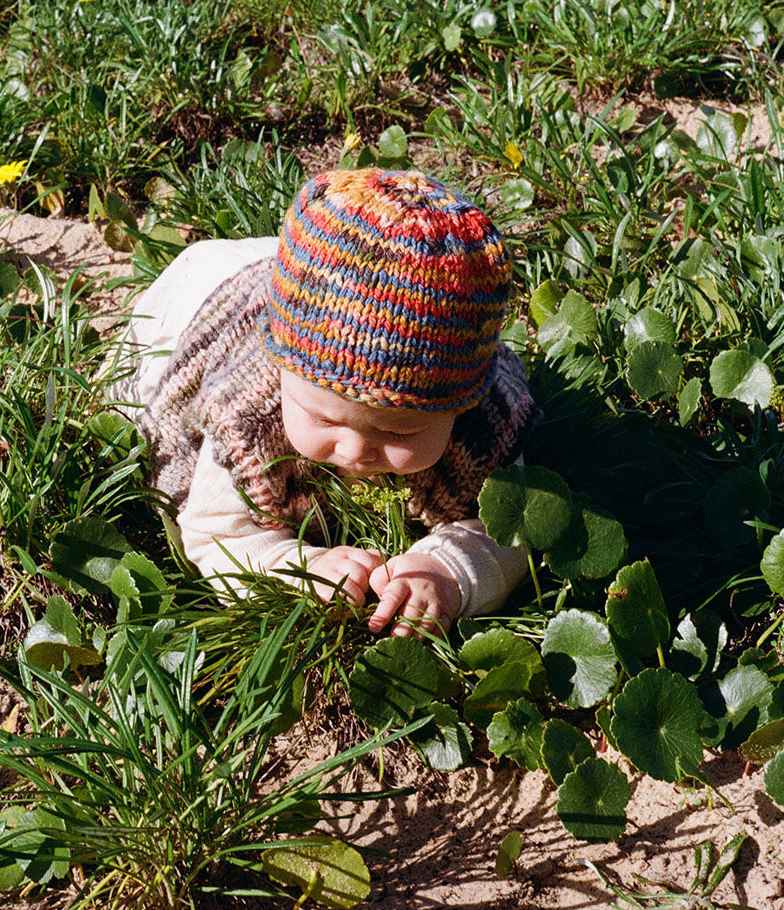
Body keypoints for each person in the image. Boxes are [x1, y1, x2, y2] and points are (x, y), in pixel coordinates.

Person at [109, 167, 537, 636]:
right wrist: (293, 567)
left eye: (398, 430)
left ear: (460, 406)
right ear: (282, 379)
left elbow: (510, 533)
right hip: (199, 294)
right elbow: (215, 534)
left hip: (323, 290)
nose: (356, 450)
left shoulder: (485, 425)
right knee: (128, 386)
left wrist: (448, 572)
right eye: (322, 418)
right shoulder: (244, 423)